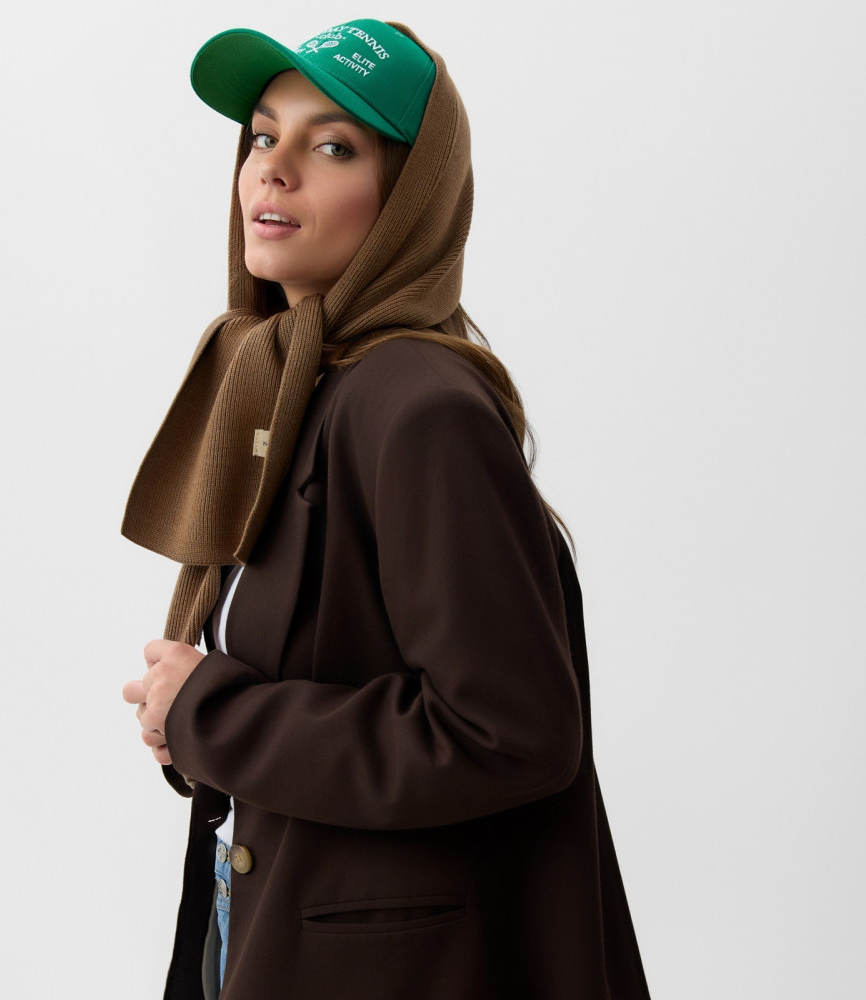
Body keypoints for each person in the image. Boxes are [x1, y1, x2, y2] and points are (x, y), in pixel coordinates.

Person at [121, 18, 650, 1000]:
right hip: (271, 917)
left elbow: (507, 732)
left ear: (409, 198)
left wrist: (214, 713)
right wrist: (192, 720)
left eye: (332, 147)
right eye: (262, 135)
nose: (273, 168)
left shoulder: (417, 408)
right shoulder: (300, 390)